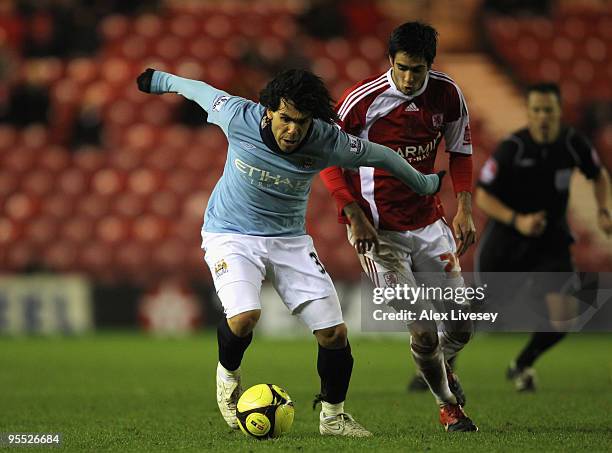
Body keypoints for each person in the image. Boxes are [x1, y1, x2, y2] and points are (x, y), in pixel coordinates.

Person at [136, 67, 444, 437]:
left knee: (334, 334)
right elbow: (196, 88)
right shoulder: (236, 115)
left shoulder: (328, 140)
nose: (293, 130)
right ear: (268, 111)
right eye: (285, 119)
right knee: (245, 316)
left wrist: (425, 184)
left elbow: (383, 157)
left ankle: (333, 417)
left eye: (301, 122)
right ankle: (227, 378)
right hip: (230, 234)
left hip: (290, 241)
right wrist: (158, 80)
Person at [320, 22, 478, 432]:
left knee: (462, 323)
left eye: (418, 70)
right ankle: (448, 405)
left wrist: (464, 207)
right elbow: (329, 159)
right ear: (390, 61)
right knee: (424, 332)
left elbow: (460, 152)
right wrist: (353, 214)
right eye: (403, 68)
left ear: (430, 66)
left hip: (428, 224)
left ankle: (442, 367)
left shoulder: (448, 95)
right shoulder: (361, 101)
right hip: (380, 232)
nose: (409, 78)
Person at [475, 82, 611, 391]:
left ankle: (522, 364)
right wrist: (517, 220)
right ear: (529, 112)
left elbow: (598, 174)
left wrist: (603, 210)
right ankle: (442, 364)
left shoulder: (573, 143)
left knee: (564, 316)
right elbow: (483, 195)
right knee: (484, 311)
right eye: (536, 110)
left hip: (550, 241)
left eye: (548, 110)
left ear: (559, 112)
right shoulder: (514, 147)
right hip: (507, 242)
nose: (542, 116)